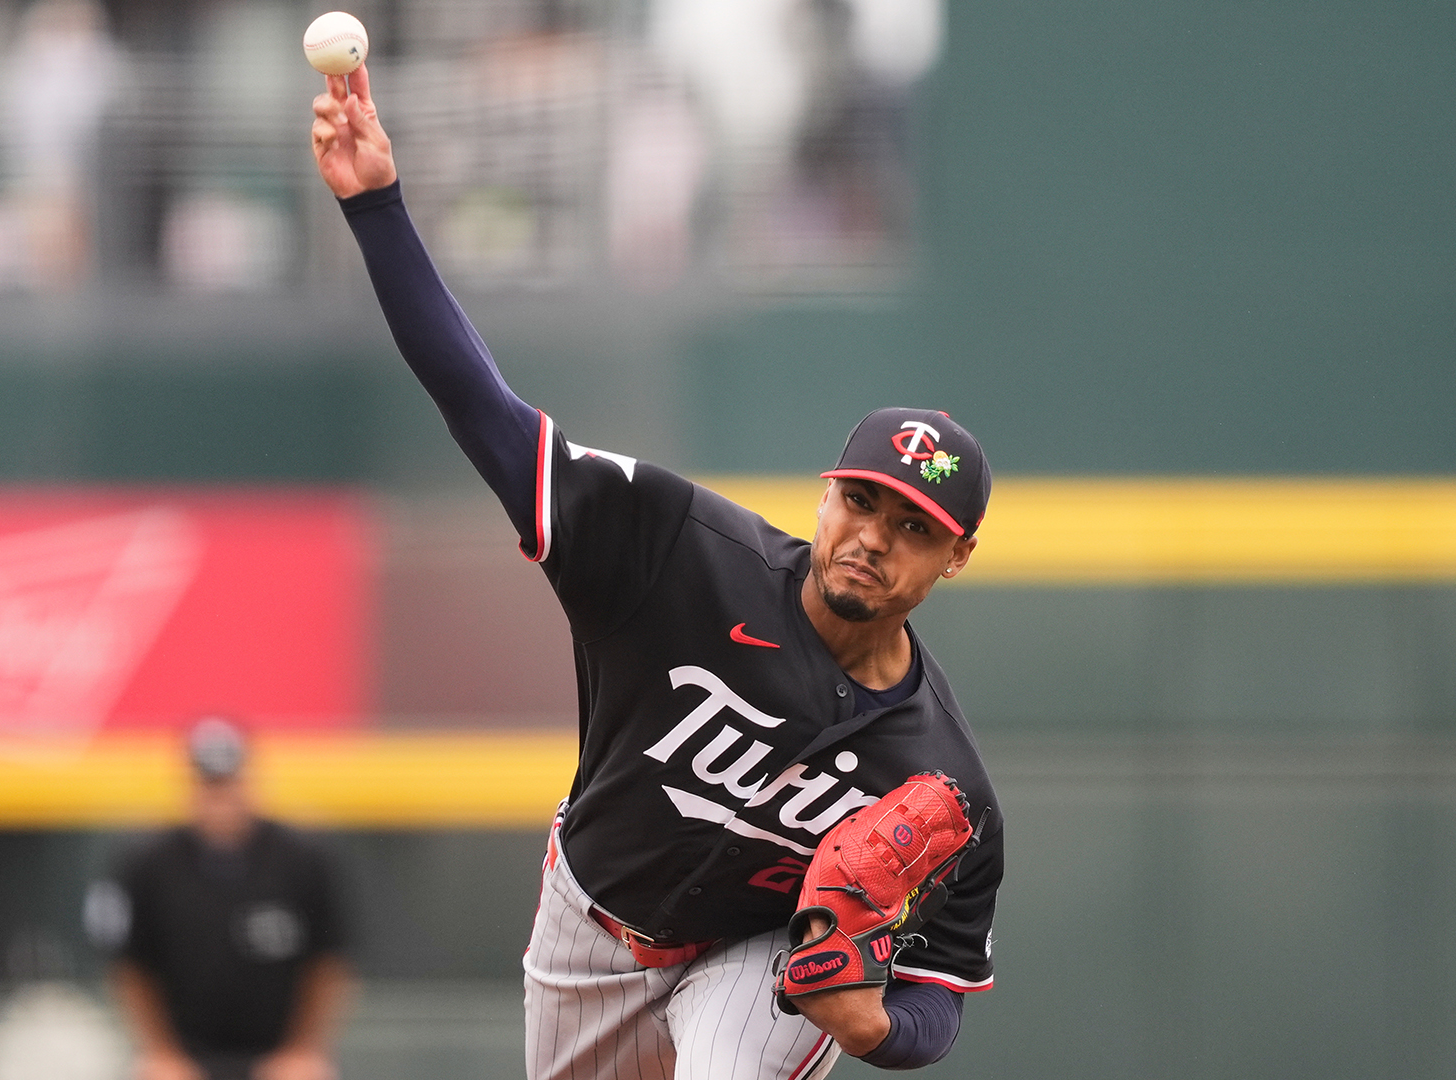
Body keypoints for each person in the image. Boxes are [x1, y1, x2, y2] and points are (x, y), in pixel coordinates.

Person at [309, 64, 1003, 1080]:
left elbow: (940, 985)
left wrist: (874, 1028)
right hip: (589, 928)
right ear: (826, 495)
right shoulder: (677, 551)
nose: (873, 538)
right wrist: (376, 206)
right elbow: (485, 413)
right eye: (860, 502)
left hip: (756, 955)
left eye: (914, 527)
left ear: (957, 555)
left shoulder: (943, 775)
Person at [86, 718, 354, 1080]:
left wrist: (303, 1049)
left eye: (229, 783)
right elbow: (131, 968)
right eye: (210, 785)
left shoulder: (303, 858)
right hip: (184, 1053)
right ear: (191, 785)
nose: (220, 799)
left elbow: (329, 963)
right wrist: (161, 1051)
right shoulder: (148, 862)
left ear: (250, 780)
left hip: (277, 1053)